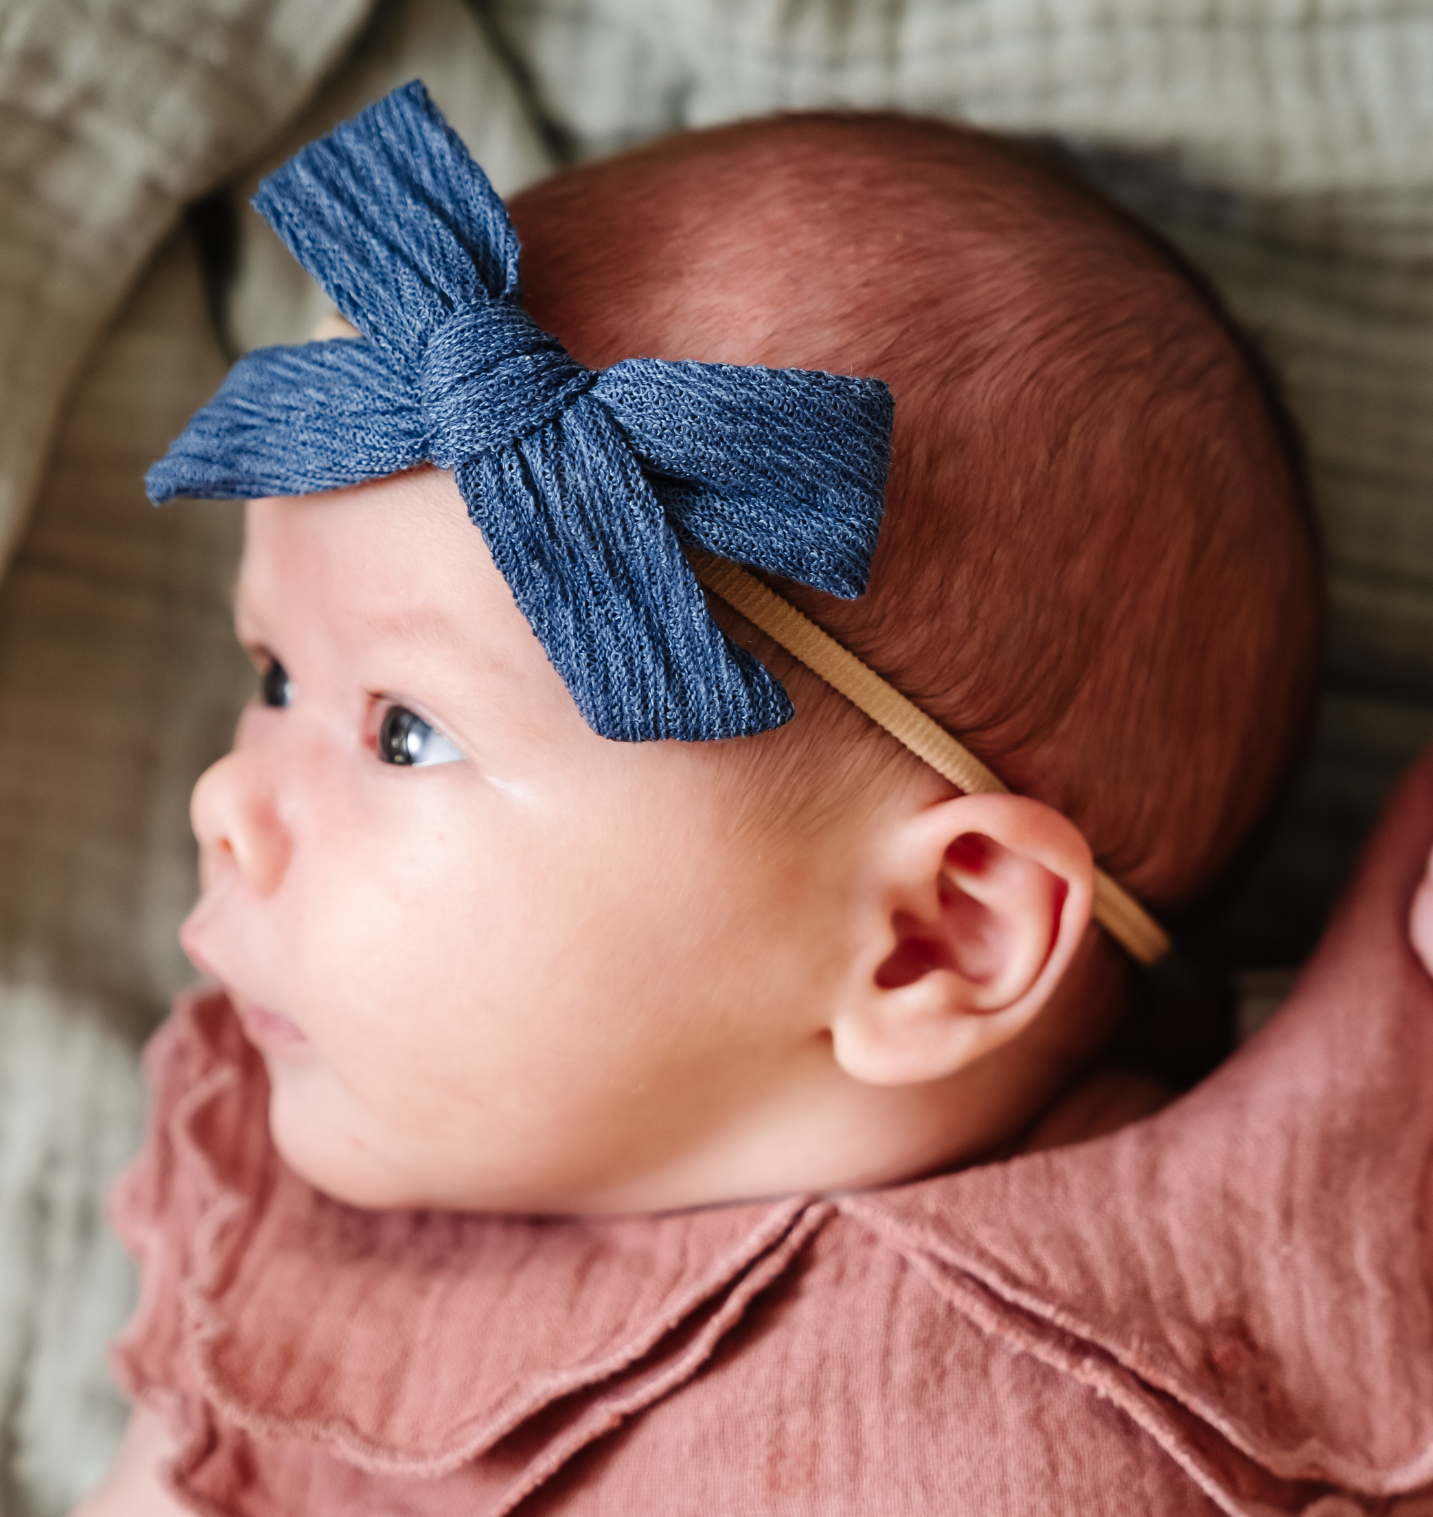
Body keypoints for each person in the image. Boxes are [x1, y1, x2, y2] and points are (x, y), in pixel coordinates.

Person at [76, 83, 1431, 1515]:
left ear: (931, 936)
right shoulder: (295, 1299)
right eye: (274, 676)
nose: (225, 798)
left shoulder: (1282, 1222)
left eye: (407, 733)